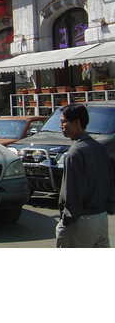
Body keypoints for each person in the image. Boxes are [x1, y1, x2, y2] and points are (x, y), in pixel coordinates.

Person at [56, 103, 115, 248]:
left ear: (77, 123)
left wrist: (67, 219)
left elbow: (72, 191)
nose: (60, 126)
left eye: (63, 121)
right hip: (101, 218)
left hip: (81, 220)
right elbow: (109, 181)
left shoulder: (74, 153)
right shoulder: (99, 148)